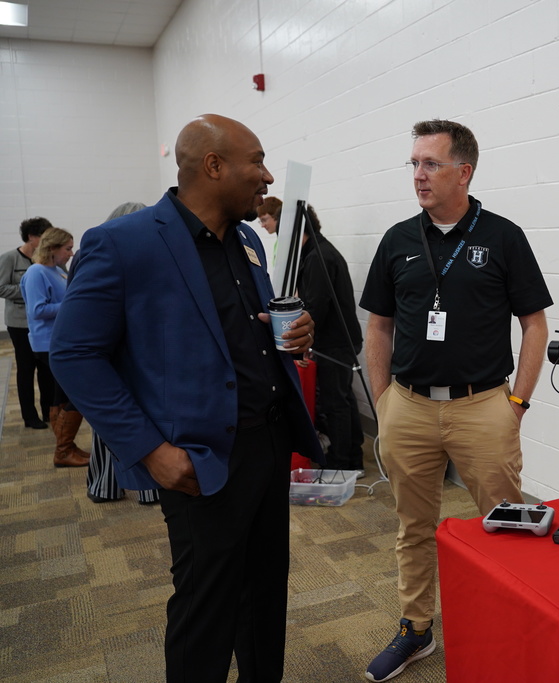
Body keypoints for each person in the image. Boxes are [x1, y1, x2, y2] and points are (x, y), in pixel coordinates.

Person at [49, 114, 323, 683]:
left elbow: (251, 328)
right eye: (257, 161)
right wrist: (148, 449)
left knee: (266, 592)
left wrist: (296, 331)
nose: (267, 176)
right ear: (213, 166)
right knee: (207, 607)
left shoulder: (246, 239)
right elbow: (74, 355)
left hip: (268, 444)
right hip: (200, 459)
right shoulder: (122, 243)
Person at [360, 119, 552, 682]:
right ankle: (416, 629)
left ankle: (515, 627)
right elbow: (378, 328)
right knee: (413, 527)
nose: (419, 175)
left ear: (463, 172)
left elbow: (535, 325)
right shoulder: (398, 239)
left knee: (507, 524)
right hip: (409, 407)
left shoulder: (502, 236)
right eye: (414, 163)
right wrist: (383, 403)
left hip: (482, 407)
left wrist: (515, 403)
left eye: (431, 164)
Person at [78, 202, 160, 505]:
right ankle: (146, 489)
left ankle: (106, 486)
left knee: (114, 425)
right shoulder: (107, 254)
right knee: (126, 420)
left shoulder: (102, 254)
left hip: (122, 352)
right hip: (118, 352)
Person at [296, 204, 364, 472]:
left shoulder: (317, 257)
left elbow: (316, 309)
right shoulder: (319, 251)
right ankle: (352, 460)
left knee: (336, 404)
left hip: (334, 342)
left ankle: (342, 464)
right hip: (339, 340)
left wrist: (304, 343)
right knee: (343, 400)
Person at [21, 227, 90, 467]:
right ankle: (63, 450)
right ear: (52, 249)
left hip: (61, 341)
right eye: (67, 248)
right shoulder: (36, 272)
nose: (71, 254)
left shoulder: (56, 271)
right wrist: (72, 304)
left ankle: (66, 448)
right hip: (48, 343)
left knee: (60, 397)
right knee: (73, 395)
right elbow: (37, 311)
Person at [0, 216, 53, 429]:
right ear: (31, 237)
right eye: (44, 236)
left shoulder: (45, 259)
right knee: (26, 369)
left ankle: (50, 412)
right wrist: (31, 292)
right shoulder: (10, 259)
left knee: (46, 370)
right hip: (20, 324)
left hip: (42, 325)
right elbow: (1, 287)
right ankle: (29, 417)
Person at [257, 195, 282, 266]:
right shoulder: (277, 243)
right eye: (261, 221)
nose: (262, 225)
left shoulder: (287, 242)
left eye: (264, 220)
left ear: (277, 216)